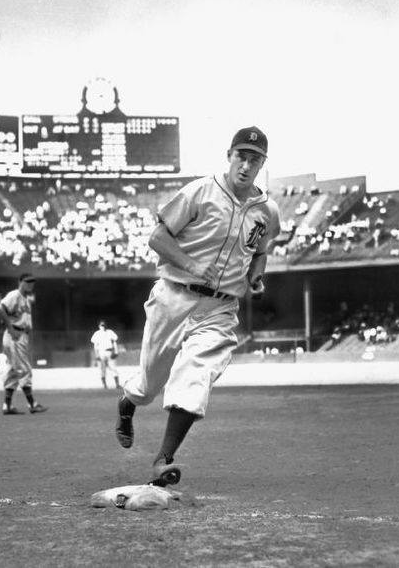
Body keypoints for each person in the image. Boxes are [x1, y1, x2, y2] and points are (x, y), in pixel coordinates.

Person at [115, 126, 280, 486]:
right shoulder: (200, 191)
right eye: (241, 156)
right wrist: (191, 265)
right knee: (149, 383)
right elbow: (157, 237)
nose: (246, 165)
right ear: (229, 156)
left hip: (220, 309)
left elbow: (261, 251)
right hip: (174, 297)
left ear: (262, 164)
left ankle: (163, 459)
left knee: (195, 376)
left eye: (255, 159)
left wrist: (256, 276)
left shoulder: (267, 211)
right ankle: (127, 405)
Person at [0, 273, 48, 415]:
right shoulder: (15, 295)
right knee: (24, 369)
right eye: (27, 281)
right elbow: (0, 309)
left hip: (18, 335)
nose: (30, 284)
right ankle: (32, 404)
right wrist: (11, 329)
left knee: (13, 371)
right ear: (20, 282)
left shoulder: (25, 299)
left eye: (32, 282)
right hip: (15, 335)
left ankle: (7, 406)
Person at [91, 320, 121, 389]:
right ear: (99, 326)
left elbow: (114, 342)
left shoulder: (110, 332)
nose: (103, 327)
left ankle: (117, 384)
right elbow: (95, 345)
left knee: (113, 368)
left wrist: (116, 351)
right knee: (102, 369)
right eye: (101, 325)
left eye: (104, 325)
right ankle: (104, 385)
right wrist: (96, 354)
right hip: (101, 352)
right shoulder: (97, 333)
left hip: (109, 352)